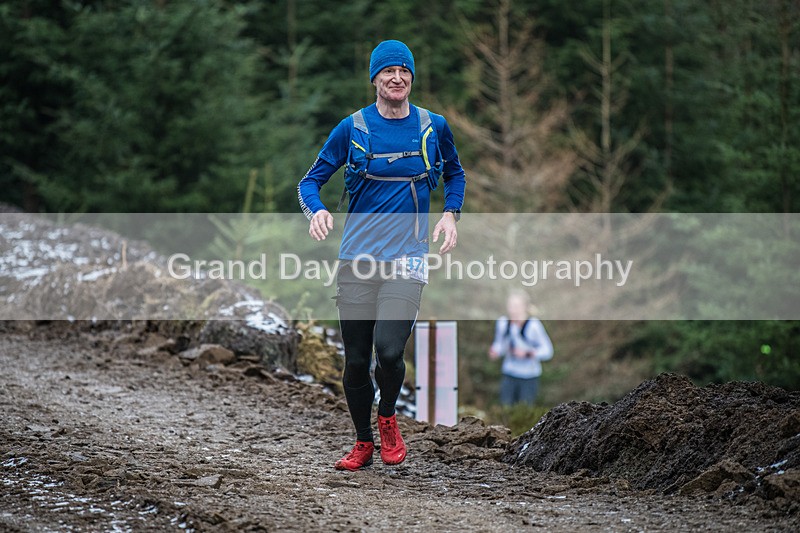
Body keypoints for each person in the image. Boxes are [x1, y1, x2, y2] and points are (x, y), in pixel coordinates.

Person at [298, 40, 466, 471]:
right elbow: (309, 181)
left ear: (412, 77)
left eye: (404, 71)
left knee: (389, 352)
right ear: (374, 79)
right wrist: (317, 210)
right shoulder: (352, 128)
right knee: (356, 361)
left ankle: (387, 417)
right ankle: (362, 442)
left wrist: (450, 214)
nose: (397, 78)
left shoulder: (433, 126)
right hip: (357, 260)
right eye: (388, 71)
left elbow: (455, 173)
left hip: (408, 258)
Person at [489, 291, 553, 406]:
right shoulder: (503, 323)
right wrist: (495, 351)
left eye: (517, 306)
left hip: (529, 376)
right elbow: (499, 344)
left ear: (525, 307)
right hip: (509, 373)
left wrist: (528, 353)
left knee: (524, 410)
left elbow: (548, 351)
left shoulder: (533, 325)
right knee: (505, 409)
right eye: (511, 306)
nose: (513, 310)